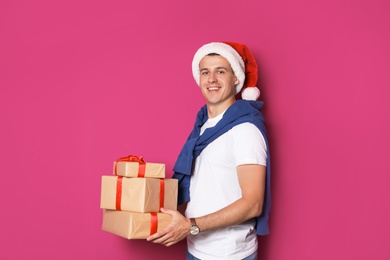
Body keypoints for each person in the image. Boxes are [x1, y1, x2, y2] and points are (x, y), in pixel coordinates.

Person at [147, 41, 271, 260]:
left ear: (236, 79)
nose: (211, 79)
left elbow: (253, 204)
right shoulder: (202, 127)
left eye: (220, 71)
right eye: (205, 72)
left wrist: (191, 226)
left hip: (229, 254)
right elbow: (199, 187)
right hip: (196, 249)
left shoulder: (245, 129)